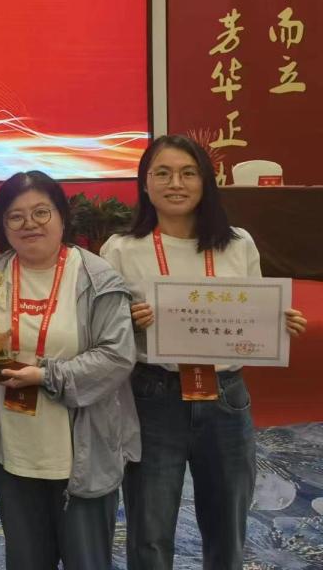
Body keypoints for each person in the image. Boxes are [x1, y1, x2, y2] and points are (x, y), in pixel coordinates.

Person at [100, 134, 308, 570]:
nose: (175, 183)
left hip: (226, 397)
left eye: (188, 173)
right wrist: (127, 321)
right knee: (149, 528)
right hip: (154, 396)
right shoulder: (120, 249)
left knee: (227, 524)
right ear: (144, 183)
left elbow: (252, 314)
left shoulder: (238, 244)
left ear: (205, 182)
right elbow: (102, 331)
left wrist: (278, 321)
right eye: (162, 173)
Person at [0, 170, 139, 570]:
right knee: (26, 560)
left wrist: (45, 376)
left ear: (61, 216)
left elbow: (116, 356)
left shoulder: (96, 277)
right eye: (16, 216)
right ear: (3, 225)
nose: (30, 224)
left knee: (86, 561)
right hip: (14, 446)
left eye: (41, 212)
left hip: (82, 450)